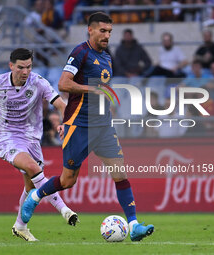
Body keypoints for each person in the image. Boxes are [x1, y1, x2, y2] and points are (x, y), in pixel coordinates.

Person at [21, 12, 154, 242]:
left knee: (120, 173)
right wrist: (91, 89)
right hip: (79, 125)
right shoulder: (80, 53)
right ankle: (36, 195)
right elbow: (63, 83)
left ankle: (133, 226)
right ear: (90, 30)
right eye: (103, 31)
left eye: (110, 32)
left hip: (102, 125)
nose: (107, 35)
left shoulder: (106, 57)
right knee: (67, 181)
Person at [0, 48, 77, 242]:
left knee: (30, 186)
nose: (25, 72)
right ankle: (65, 210)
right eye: (20, 67)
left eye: (28, 67)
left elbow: (60, 104)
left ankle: (20, 226)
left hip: (32, 139)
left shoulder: (38, 82)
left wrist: (65, 122)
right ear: (11, 66)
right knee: (32, 168)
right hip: (6, 137)